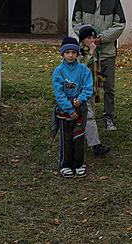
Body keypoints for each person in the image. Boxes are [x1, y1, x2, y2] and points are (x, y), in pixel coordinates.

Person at [72, 0, 126, 131]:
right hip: (87, 53)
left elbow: (120, 24)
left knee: (108, 87)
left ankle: (109, 117)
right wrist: (87, 39)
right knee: (87, 86)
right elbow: (76, 22)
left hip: (107, 52)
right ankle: (88, 116)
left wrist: (102, 38)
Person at [52, 37, 94, 177]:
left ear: (77, 54)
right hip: (65, 111)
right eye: (67, 52)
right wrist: (70, 108)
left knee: (79, 137)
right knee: (67, 138)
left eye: (73, 52)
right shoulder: (59, 71)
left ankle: (79, 163)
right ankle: (65, 164)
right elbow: (59, 93)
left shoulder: (83, 70)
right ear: (62, 54)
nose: (70, 55)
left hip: (80, 108)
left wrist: (80, 100)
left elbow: (88, 88)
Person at [78, 24, 112, 157]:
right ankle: (95, 145)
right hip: (82, 91)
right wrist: (91, 53)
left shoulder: (95, 51)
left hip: (92, 89)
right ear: (82, 40)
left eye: (93, 37)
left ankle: (81, 138)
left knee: (88, 115)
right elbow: (82, 69)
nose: (92, 40)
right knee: (89, 116)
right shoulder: (79, 53)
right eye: (88, 38)